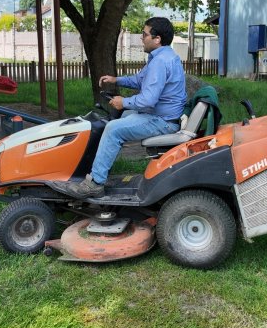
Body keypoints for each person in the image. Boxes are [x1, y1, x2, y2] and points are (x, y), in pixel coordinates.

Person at [59, 17, 187, 199]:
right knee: (122, 116)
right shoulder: (164, 56)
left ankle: (95, 183)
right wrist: (116, 80)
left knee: (113, 129)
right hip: (164, 116)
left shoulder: (160, 62)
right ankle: (101, 170)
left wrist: (123, 102)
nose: (141, 38)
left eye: (144, 34)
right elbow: (140, 80)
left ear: (157, 39)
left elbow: (148, 100)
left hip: (163, 121)